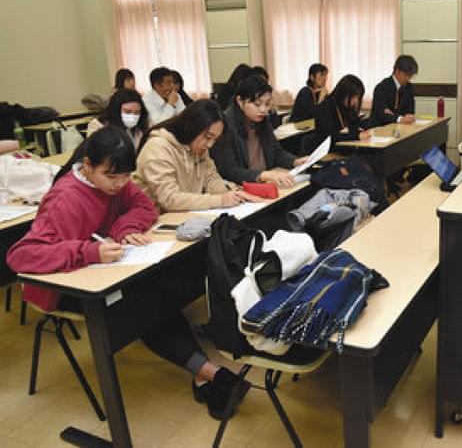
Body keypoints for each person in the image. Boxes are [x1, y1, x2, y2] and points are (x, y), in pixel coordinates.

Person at [6, 126, 247, 419]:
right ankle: (211, 374)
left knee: (159, 290)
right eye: (112, 176)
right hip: (66, 288)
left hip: (105, 271)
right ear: (87, 166)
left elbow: (144, 207)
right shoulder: (64, 197)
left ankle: (205, 375)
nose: (120, 184)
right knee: (142, 305)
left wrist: (124, 230)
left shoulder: (115, 180)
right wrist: (88, 251)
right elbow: (20, 255)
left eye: (125, 176)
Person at [134, 99, 259, 212]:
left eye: (215, 139)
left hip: (184, 216)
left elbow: (210, 178)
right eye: (208, 137)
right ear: (191, 127)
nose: (210, 144)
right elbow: (170, 199)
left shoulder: (196, 145)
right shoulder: (157, 148)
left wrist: (234, 192)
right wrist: (221, 200)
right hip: (153, 222)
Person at [211, 75, 308, 188]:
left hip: (266, 183)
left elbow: (276, 152)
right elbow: (229, 170)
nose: (263, 110)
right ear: (240, 102)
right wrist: (263, 175)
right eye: (257, 104)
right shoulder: (226, 126)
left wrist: (296, 161)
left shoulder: (262, 120)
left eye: (267, 104)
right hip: (243, 187)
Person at [314, 74, 371, 151]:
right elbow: (331, 137)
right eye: (354, 97)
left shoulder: (346, 107)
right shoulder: (325, 108)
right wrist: (357, 135)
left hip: (345, 149)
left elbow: (354, 125)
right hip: (328, 152)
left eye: (358, 97)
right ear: (343, 94)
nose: (356, 102)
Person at [370, 55, 418, 126]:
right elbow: (381, 114)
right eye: (406, 75)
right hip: (381, 128)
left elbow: (410, 111)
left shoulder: (409, 88)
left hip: (401, 127)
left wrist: (405, 117)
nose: (408, 78)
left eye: (410, 76)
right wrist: (399, 118)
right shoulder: (382, 87)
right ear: (397, 71)